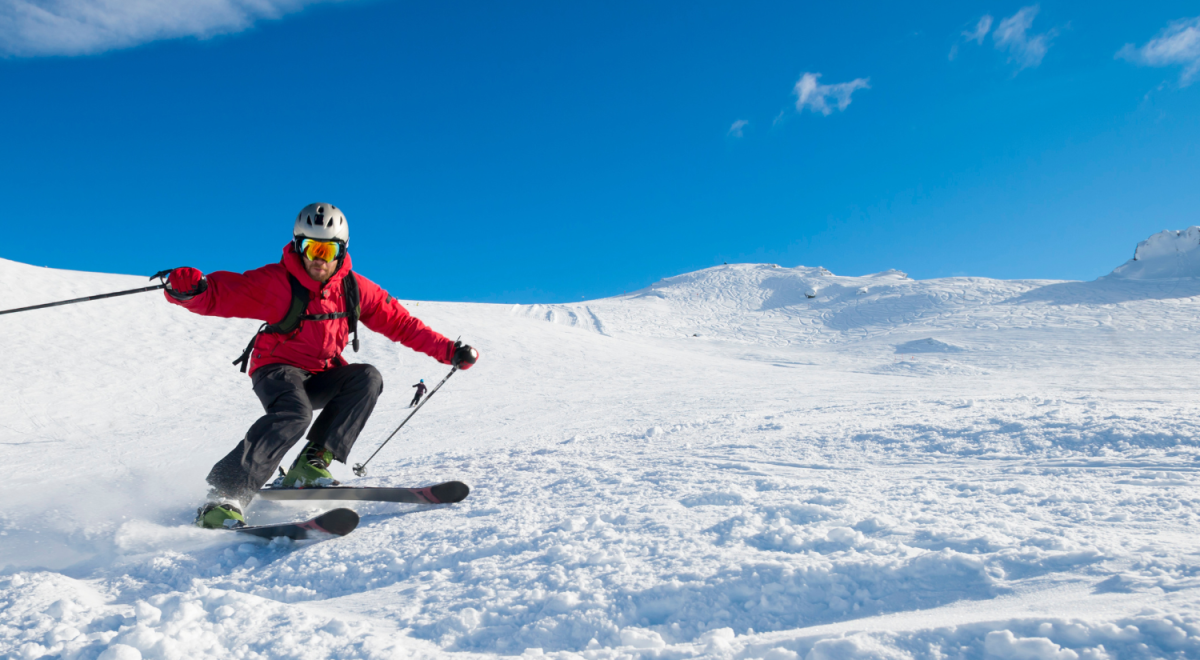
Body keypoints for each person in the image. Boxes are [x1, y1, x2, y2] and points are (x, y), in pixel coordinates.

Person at [164, 203, 479, 529]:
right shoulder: (277, 283)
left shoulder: (355, 289)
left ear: (341, 250)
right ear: (299, 246)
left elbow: (402, 324)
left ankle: (310, 465)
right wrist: (188, 291)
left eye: (327, 249)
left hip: (321, 373)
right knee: (294, 413)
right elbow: (220, 295)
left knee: (367, 377)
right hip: (276, 368)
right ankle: (224, 497)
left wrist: (448, 350)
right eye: (311, 247)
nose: (319, 258)